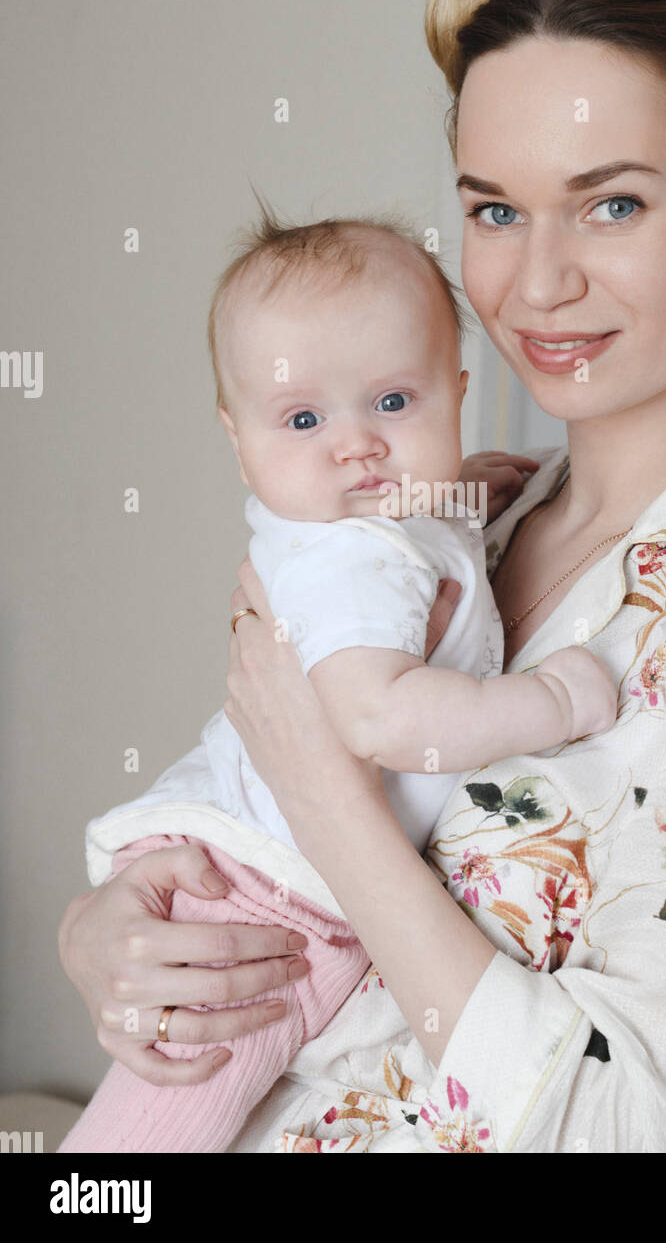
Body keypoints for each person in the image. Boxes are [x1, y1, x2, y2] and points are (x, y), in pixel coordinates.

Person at [59, 0, 666, 1152]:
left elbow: (630, 1128)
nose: (535, 281)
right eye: (494, 207)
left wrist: (326, 803)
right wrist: (118, 928)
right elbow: (251, 797)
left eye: (612, 202)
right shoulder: (458, 514)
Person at [57, 212, 614, 1153]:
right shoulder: (353, 560)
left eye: (395, 403)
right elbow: (380, 715)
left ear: (458, 393)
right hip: (258, 906)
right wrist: (550, 703)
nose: (357, 446)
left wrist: (456, 492)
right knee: (154, 1131)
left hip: (252, 862)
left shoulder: (384, 520)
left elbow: (407, 534)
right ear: (238, 439)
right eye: (305, 419)